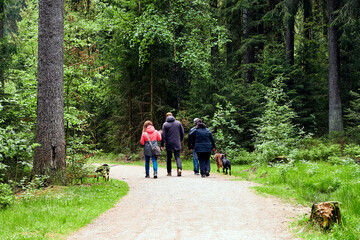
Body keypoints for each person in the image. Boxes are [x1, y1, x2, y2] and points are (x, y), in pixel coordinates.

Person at [161, 112, 184, 176]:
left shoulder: (165, 124)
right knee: (177, 157)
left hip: (169, 143)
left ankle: (169, 172)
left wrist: (162, 144)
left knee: (169, 158)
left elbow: (163, 135)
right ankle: (179, 168)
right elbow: (182, 133)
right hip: (177, 142)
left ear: (166, 117)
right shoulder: (178, 123)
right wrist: (180, 140)